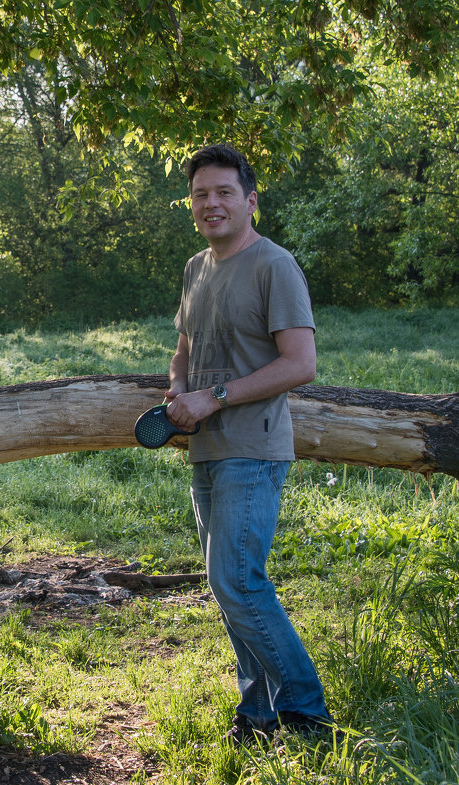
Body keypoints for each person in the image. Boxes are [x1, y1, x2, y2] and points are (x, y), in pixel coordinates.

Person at [162, 143, 331, 746]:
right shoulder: (196, 268)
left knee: (238, 580)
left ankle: (306, 712)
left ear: (250, 201)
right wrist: (179, 393)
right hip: (204, 449)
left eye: (224, 192)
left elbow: (300, 364)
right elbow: (182, 354)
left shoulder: (273, 265)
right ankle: (255, 716)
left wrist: (215, 398)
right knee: (227, 583)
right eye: (201, 194)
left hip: (252, 449)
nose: (211, 203)